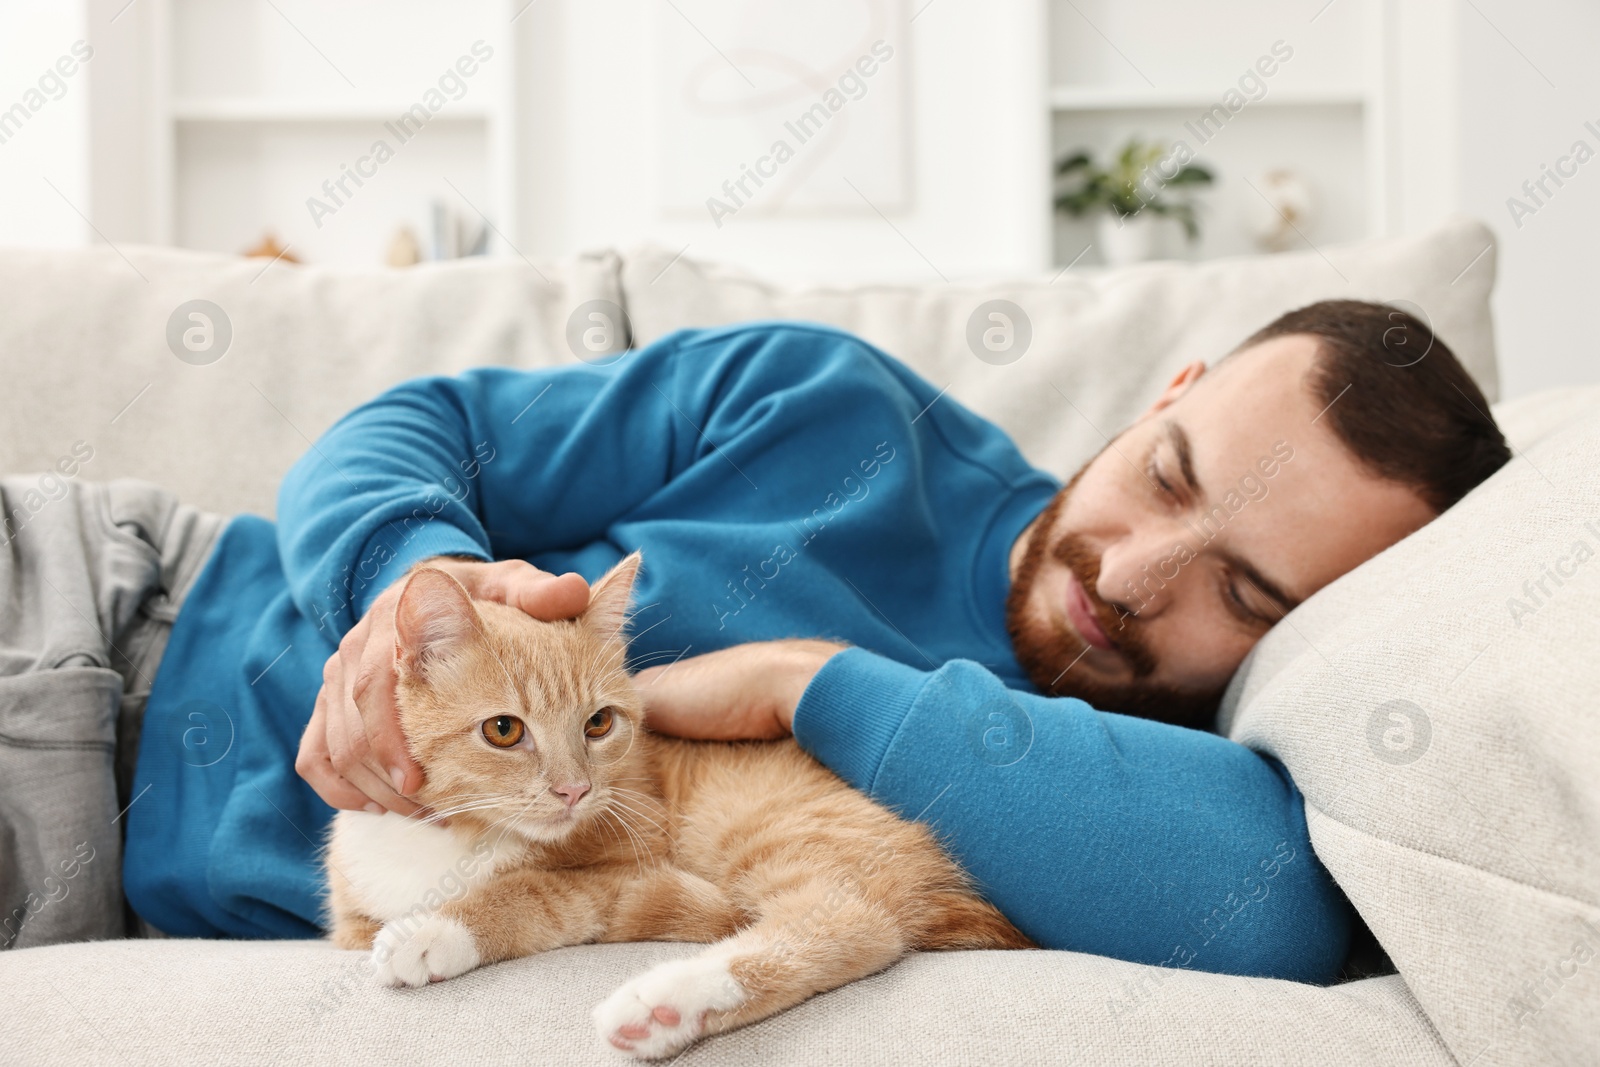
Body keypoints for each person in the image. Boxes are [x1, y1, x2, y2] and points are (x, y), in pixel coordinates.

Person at [0, 301, 1508, 982]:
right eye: (1169, 473)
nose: (1135, 573)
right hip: (112, 608)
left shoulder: (1136, 781)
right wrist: (408, 584)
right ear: (1165, 387)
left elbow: (1287, 912)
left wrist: (808, 683)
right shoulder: (831, 406)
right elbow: (411, 429)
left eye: (1244, 593)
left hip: (109, 885)